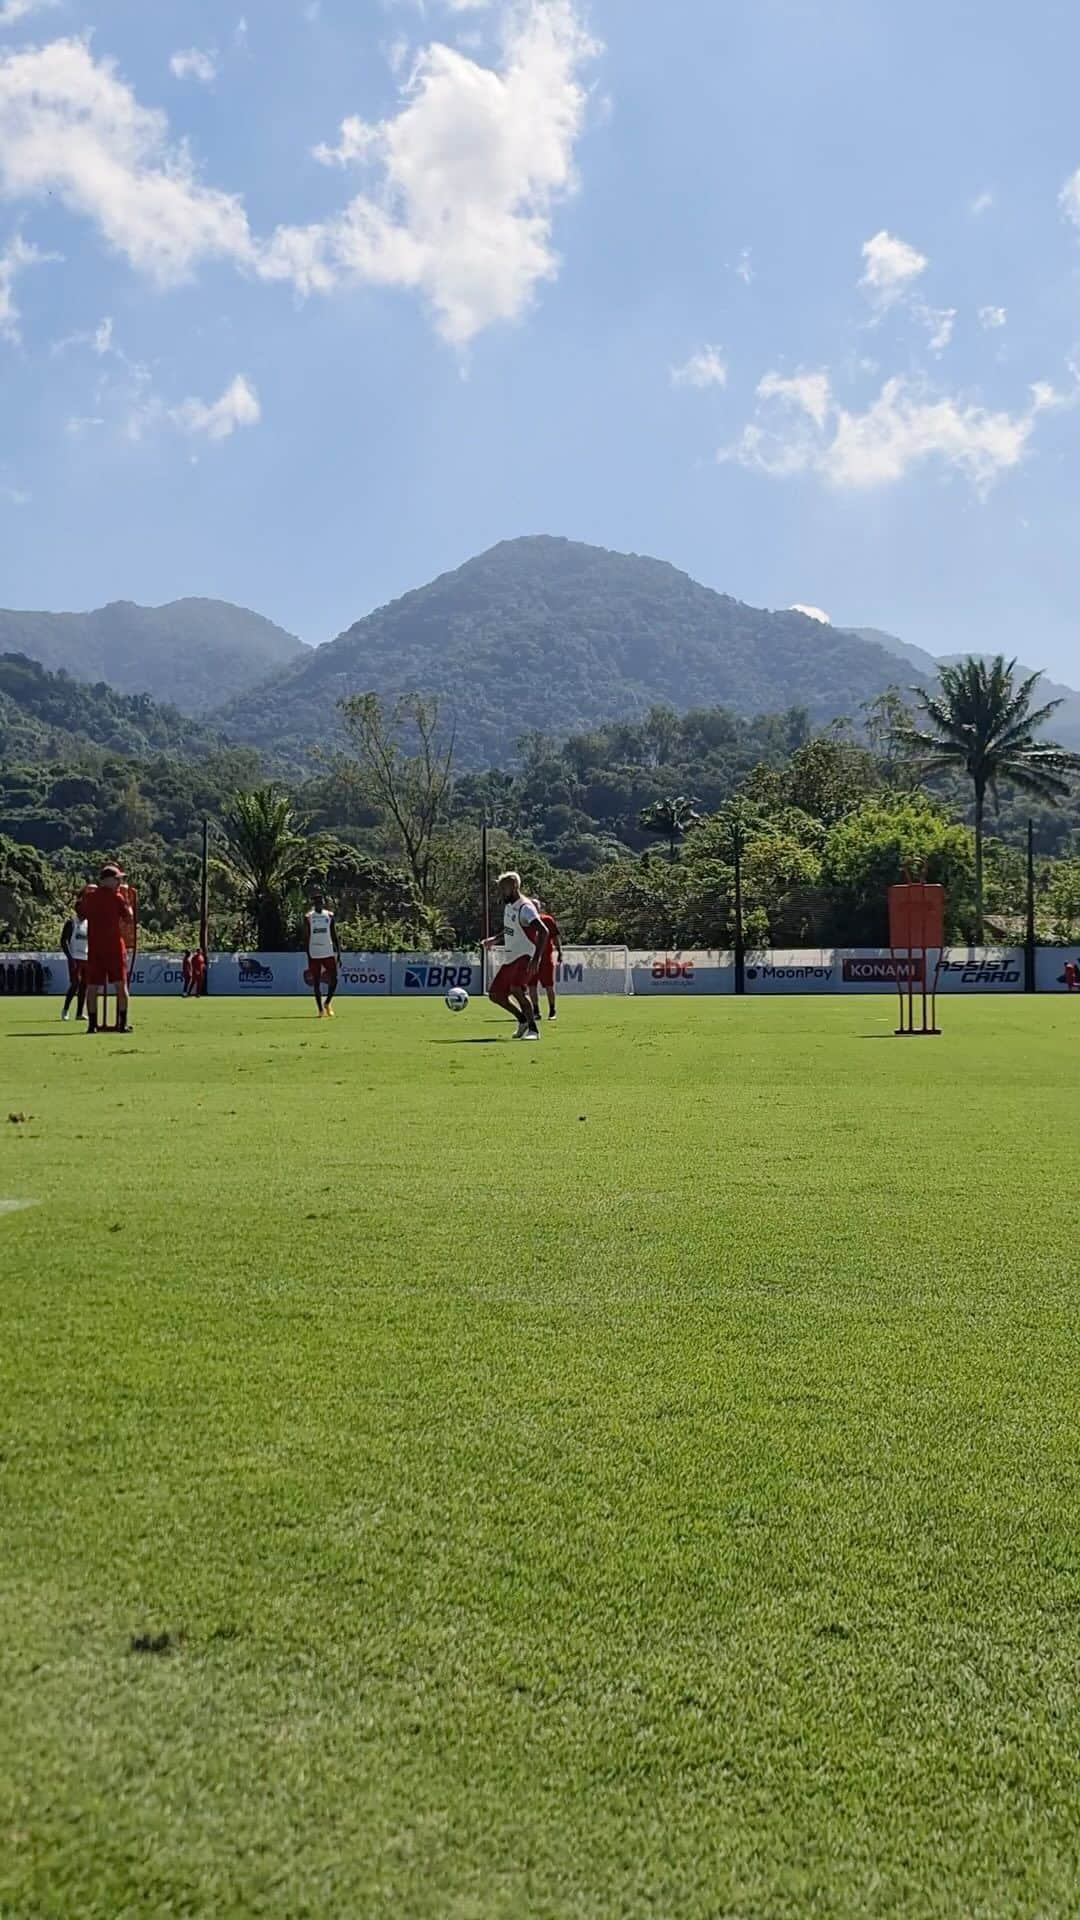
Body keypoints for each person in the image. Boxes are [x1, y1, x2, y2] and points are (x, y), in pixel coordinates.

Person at [485, 871, 548, 1040]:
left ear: (514, 886)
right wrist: (495, 939)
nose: (500, 892)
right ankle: (522, 1020)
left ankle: (534, 1030)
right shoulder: (509, 906)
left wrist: (536, 958)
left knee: (516, 989)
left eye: (503, 888)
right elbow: (510, 930)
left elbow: (543, 931)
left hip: (526, 956)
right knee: (495, 995)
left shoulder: (525, 907)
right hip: (511, 958)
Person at [76, 862, 135, 1034]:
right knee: (120, 986)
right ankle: (122, 1023)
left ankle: (92, 1025)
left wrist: (84, 894)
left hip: (95, 948)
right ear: (107, 880)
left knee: (92, 987)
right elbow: (129, 917)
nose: (118, 883)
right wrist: (128, 902)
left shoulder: (90, 897)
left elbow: (80, 911)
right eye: (116, 879)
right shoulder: (117, 897)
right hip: (114, 948)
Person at [304, 889, 341, 1017]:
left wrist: (339, 952)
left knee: (334, 979)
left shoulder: (329, 915)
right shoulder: (309, 917)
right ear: (314, 904)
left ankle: (327, 1003)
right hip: (314, 952)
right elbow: (307, 937)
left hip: (328, 951)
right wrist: (307, 953)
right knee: (316, 981)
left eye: (321, 901)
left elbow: (334, 934)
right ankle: (320, 1010)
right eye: (317, 902)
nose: (320, 904)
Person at [530, 902, 563, 1023]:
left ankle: (552, 1010)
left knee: (549, 985)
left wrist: (559, 951)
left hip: (545, 959)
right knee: (531, 985)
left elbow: (555, 937)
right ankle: (536, 1011)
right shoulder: (526, 920)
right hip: (531, 958)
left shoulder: (548, 920)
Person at [60, 903, 89, 1021]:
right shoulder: (71, 922)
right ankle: (65, 1010)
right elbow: (63, 941)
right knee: (75, 983)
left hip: (86, 958)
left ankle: (79, 1013)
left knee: (84, 986)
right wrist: (70, 957)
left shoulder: (89, 923)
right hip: (75, 957)